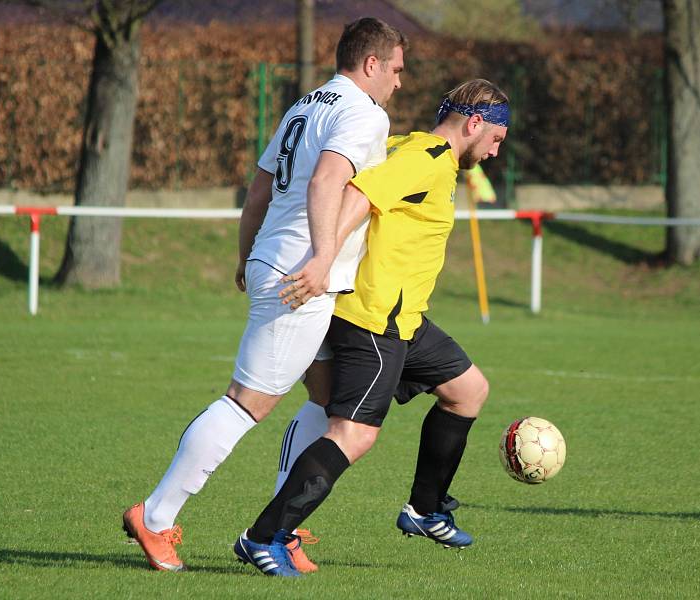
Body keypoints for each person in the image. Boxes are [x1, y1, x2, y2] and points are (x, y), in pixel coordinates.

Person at [122, 17, 407, 573]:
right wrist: (320, 259)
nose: (400, 81)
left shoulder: (306, 104)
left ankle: (282, 526)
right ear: (371, 63)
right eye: (396, 69)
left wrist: (247, 255)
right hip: (301, 276)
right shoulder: (364, 113)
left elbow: (258, 188)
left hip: (277, 263)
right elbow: (328, 182)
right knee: (244, 404)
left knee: (325, 400)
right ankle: (155, 518)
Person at [233, 78, 510, 577]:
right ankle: (261, 537)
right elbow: (359, 195)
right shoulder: (421, 159)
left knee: (468, 391)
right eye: (495, 139)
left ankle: (425, 510)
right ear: (475, 124)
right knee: (353, 435)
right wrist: (321, 260)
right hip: (373, 319)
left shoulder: (417, 149)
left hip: (407, 318)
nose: (493, 152)